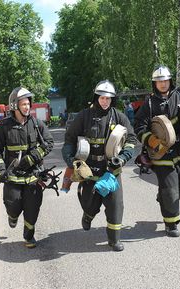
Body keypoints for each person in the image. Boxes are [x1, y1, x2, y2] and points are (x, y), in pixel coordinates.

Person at [62, 80, 137, 251]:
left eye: (108, 98)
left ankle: (114, 240)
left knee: (115, 205)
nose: (105, 101)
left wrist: (123, 158)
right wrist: (71, 160)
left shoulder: (119, 117)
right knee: (90, 205)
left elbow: (131, 139)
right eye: (102, 98)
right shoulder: (84, 116)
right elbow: (70, 139)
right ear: (96, 97)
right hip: (89, 171)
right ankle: (87, 216)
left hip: (111, 171)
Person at [134, 65, 180, 237]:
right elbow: (139, 126)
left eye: (165, 80)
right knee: (170, 189)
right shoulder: (149, 103)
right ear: (154, 84)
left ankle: (164, 198)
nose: (162, 84)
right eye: (159, 81)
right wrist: (151, 139)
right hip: (161, 153)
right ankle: (171, 224)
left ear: (170, 80)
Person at [0, 87, 54, 248]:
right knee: (12, 205)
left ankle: (28, 235)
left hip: (33, 176)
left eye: (28, 104)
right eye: (23, 104)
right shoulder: (3, 126)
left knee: (32, 208)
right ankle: (12, 216)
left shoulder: (37, 124)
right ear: (14, 106)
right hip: (12, 176)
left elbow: (49, 143)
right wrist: (0, 171)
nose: (27, 107)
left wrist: (32, 157)